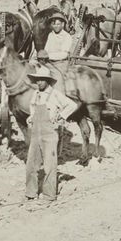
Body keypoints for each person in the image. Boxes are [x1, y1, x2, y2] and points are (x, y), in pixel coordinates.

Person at [23, 63, 76, 204]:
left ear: (47, 81)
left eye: (42, 79)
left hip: (49, 133)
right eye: (37, 79)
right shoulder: (35, 94)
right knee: (31, 163)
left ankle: (49, 195)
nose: (39, 82)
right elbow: (33, 110)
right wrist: (30, 117)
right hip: (35, 132)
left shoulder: (55, 94)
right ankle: (30, 193)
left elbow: (72, 105)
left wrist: (62, 116)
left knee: (49, 165)